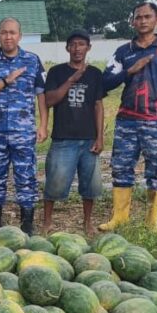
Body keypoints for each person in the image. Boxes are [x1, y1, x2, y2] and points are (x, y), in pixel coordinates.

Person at [100, 1, 157, 233]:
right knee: (121, 167)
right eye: (138, 17)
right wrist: (130, 70)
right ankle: (120, 217)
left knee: (156, 169)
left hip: (156, 119)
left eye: (148, 17)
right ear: (132, 21)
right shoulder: (123, 51)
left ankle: (151, 221)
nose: (143, 21)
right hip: (126, 119)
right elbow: (104, 83)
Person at [0, 17, 47, 233]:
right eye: (3, 32)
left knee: (26, 177)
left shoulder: (32, 60)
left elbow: (41, 95)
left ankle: (27, 223)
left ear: (20, 35)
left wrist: (44, 124)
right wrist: (6, 80)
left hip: (24, 132)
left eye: (12, 32)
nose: (8, 36)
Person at [42, 29, 106, 235]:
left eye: (82, 44)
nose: (77, 48)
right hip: (63, 138)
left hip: (88, 139)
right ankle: (47, 223)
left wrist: (100, 136)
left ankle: (87, 223)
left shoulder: (95, 74)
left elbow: (98, 105)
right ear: (67, 48)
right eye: (73, 44)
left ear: (89, 47)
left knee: (91, 185)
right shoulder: (56, 72)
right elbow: (49, 101)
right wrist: (72, 79)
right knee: (55, 183)